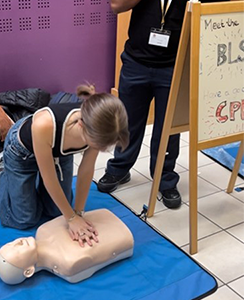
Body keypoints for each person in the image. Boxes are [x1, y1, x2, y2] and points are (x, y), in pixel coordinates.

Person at [98, 0, 228, 209]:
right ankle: (119, 169)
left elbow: (215, 14)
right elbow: (116, 5)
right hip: (136, 62)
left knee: (168, 129)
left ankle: (164, 178)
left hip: (174, 66)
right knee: (127, 122)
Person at [0, 85, 129, 247]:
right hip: (22, 152)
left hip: (58, 153)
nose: (97, 148)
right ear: (81, 125)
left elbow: (86, 170)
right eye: (95, 144)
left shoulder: (101, 125)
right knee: (23, 219)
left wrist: (78, 213)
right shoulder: (44, 124)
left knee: (56, 212)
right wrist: (71, 219)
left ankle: (27, 187)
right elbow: (49, 177)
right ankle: (4, 173)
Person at [0, 209, 134, 284]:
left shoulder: (43, 230)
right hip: (123, 235)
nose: (17, 242)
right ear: (28, 271)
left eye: (10, 244)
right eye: (16, 251)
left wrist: (76, 216)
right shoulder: (68, 263)